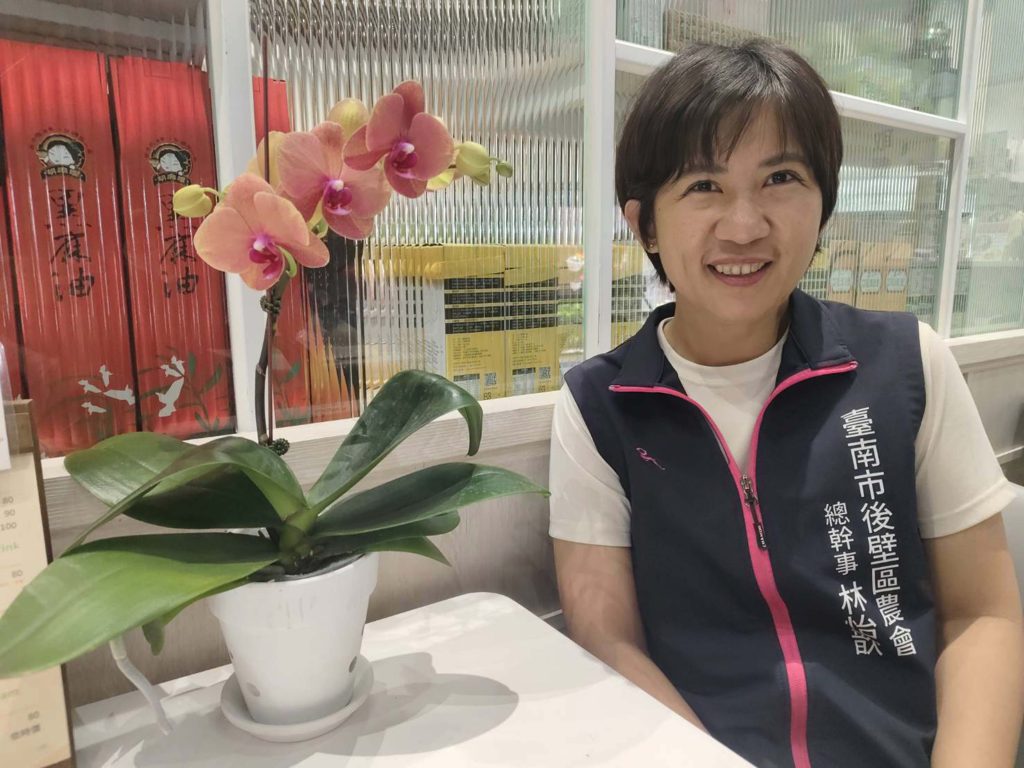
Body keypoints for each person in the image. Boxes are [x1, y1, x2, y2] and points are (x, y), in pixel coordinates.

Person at [549, 39, 1023, 768]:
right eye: (703, 186)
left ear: (822, 203)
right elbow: (608, 642)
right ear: (645, 223)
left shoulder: (905, 365)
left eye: (780, 178)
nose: (744, 225)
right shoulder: (598, 409)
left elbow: (982, 612)